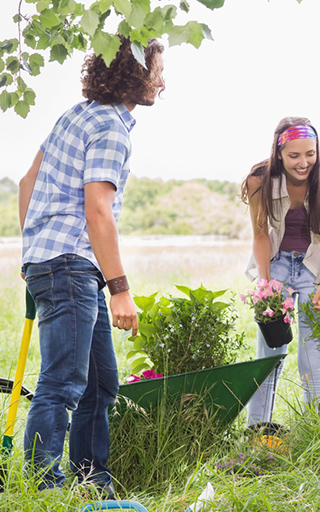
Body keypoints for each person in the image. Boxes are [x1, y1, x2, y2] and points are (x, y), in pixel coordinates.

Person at [17, 37, 165, 494]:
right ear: (135, 73)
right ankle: (45, 487)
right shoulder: (110, 129)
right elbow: (97, 209)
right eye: (158, 69)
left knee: (101, 383)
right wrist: (120, 288)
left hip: (59, 261)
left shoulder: (75, 116)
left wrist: (33, 249)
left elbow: (27, 182)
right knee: (62, 382)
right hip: (71, 266)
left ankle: (92, 480)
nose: (163, 79)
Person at [241, 117, 320, 427]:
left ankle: (318, 430)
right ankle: (257, 431)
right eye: (294, 156)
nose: (304, 163)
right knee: (269, 355)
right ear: (279, 153)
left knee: (312, 356)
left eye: (310, 154)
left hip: (314, 269)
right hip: (276, 266)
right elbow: (261, 236)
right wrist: (265, 288)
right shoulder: (259, 180)